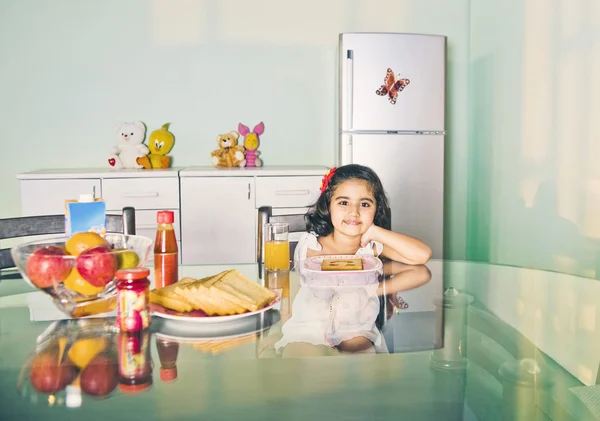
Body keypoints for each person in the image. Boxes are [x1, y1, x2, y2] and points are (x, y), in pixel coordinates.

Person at [294, 164, 432, 265]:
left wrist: (375, 232)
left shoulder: (371, 248)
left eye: (364, 204)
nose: (354, 212)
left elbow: (422, 255)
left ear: (376, 209)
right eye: (343, 203)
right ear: (328, 206)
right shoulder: (309, 247)